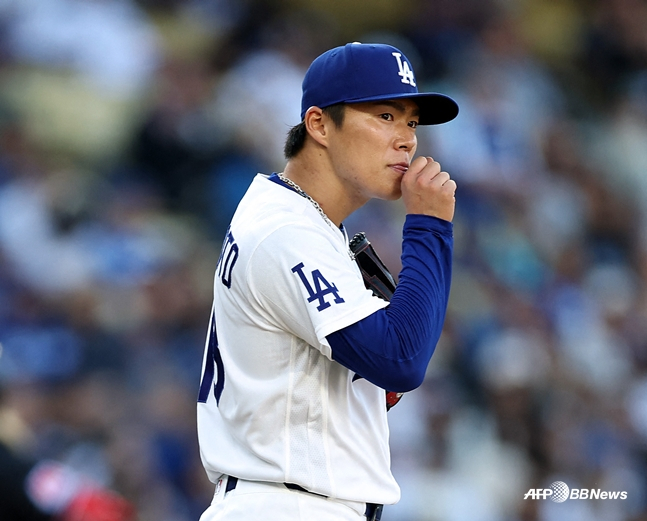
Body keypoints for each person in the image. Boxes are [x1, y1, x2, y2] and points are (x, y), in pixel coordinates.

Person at [197, 42, 458, 521]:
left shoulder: (302, 221)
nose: (406, 140)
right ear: (318, 124)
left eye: (412, 123)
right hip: (286, 506)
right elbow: (401, 360)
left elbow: (379, 375)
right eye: (385, 116)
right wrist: (429, 227)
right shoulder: (286, 230)